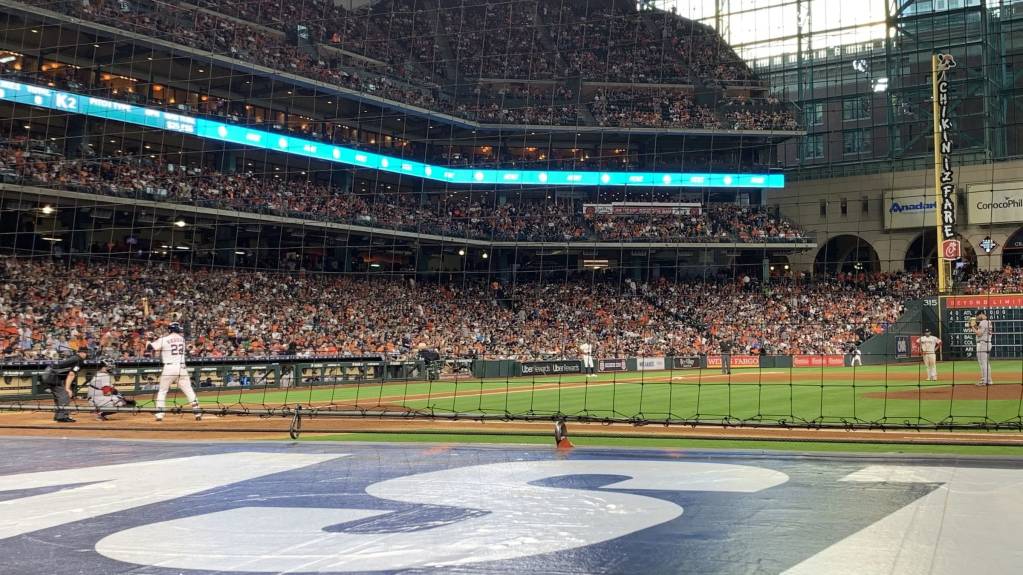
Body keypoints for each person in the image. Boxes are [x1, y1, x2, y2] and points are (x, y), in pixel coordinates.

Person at [147, 322, 202, 421]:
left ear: (170, 330)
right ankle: (197, 412)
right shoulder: (182, 340)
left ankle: (160, 415)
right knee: (189, 390)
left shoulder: (164, 339)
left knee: (162, 391)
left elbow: (149, 348)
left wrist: (149, 339)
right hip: (182, 368)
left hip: (169, 368)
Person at [39, 348, 88, 422]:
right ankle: (62, 417)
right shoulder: (79, 360)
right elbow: (71, 374)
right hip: (52, 376)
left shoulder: (73, 358)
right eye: (86, 353)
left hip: (49, 374)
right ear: (82, 353)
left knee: (59, 396)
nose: (86, 355)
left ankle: (58, 415)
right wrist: (68, 388)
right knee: (65, 395)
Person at [972, 311, 993, 386]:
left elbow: (979, 333)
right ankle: (988, 380)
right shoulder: (989, 322)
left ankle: (985, 381)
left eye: (977, 316)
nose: (977, 318)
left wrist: (972, 327)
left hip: (982, 344)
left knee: (983, 363)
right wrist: (975, 327)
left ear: (981, 314)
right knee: (986, 363)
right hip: (988, 343)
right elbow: (982, 331)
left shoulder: (983, 322)